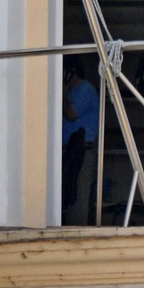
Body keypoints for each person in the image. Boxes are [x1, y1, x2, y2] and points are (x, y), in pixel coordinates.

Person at [60, 57, 100, 225]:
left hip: (82, 151)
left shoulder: (86, 90)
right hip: (67, 151)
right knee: (66, 194)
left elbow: (72, 114)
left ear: (71, 72)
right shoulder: (69, 92)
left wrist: (61, 92)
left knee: (78, 194)